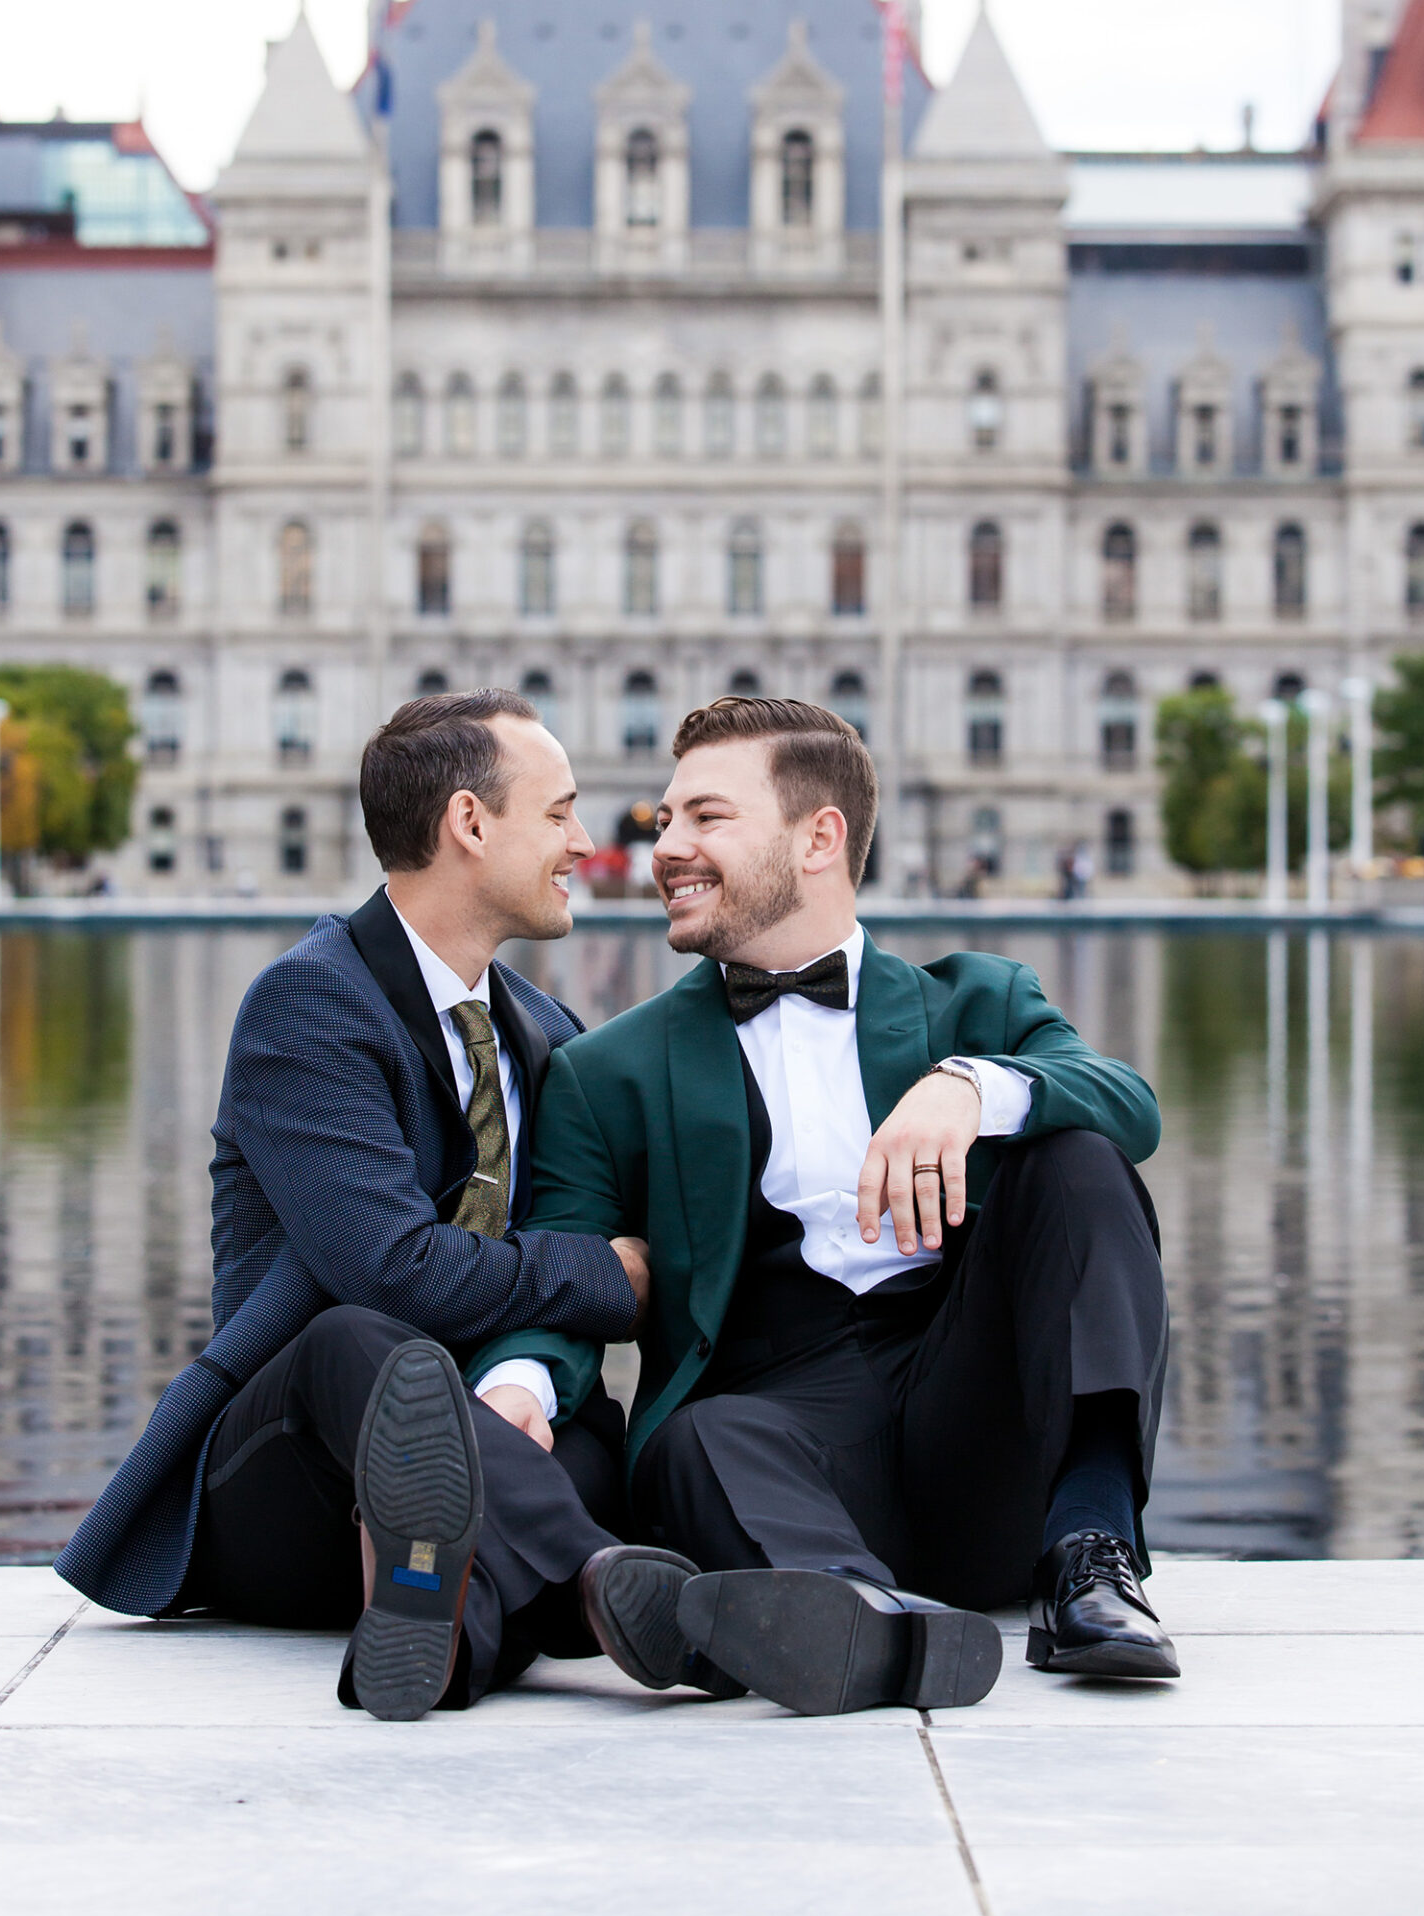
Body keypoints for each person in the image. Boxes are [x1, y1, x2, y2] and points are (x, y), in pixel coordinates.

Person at [473, 695, 1179, 1715]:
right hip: (776, 1426)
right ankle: (859, 1617)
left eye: (705, 817)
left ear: (819, 837)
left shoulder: (971, 1000)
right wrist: (521, 1393)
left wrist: (972, 1085)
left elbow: (1133, 1104)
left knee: (1078, 1154)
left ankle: (1093, 1560)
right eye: (665, 820)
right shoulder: (605, 1071)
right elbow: (567, 1268)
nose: (665, 845)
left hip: (968, 1411)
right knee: (687, 1441)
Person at [58, 689, 706, 1720]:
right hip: (295, 1471)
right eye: (558, 813)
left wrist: (526, 1384)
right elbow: (392, 1266)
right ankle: (602, 1588)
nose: (585, 842)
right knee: (365, 1340)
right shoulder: (310, 1004)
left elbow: (562, 1226)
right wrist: (606, 1277)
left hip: (468, 1468)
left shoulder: (546, 1031)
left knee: (592, 1439)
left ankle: (445, 1630)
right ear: (468, 822)